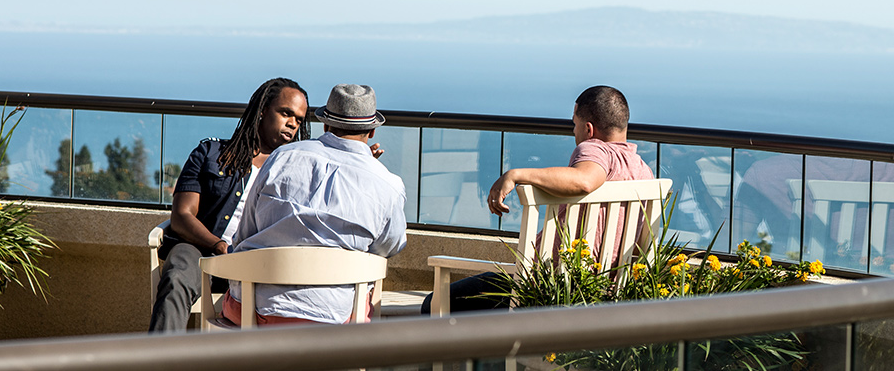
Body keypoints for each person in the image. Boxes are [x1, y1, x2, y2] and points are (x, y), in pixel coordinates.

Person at [421, 85, 654, 313]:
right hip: (604, 294)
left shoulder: (594, 149)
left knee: (434, 303)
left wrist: (516, 174)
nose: (573, 132)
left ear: (589, 129)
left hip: (543, 293)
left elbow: (584, 180)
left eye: (574, 124)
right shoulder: (643, 171)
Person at [224, 83, 407, 326]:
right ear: (372, 131)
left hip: (255, 312)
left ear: (326, 124)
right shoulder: (389, 185)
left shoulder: (283, 157)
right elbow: (387, 249)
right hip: (336, 320)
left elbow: (244, 235)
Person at [149, 78, 310, 333]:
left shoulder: (300, 170)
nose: (293, 123)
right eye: (286, 113)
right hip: (203, 253)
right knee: (177, 274)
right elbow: (181, 216)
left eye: (299, 120)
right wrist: (218, 245)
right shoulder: (211, 153)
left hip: (261, 264)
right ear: (262, 111)